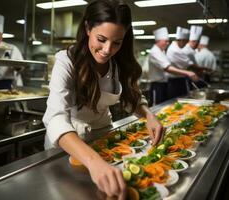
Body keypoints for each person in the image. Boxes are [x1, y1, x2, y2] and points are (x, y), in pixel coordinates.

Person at [42, 0, 164, 199]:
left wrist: (149, 115)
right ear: (88, 28)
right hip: (69, 146)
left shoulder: (117, 64)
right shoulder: (66, 61)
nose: (107, 50)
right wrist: (93, 161)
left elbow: (131, 97)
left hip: (103, 139)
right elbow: (55, 118)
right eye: (101, 39)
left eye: (117, 42)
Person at [148, 27, 198, 105]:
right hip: (157, 86)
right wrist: (188, 73)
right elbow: (167, 68)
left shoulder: (162, 51)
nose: (168, 43)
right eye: (166, 41)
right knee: (156, 107)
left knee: (164, 107)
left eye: (168, 41)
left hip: (164, 84)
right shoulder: (155, 51)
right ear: (158, 41)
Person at [166, 26, 196, 98]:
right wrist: (189, 72)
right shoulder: (174, 50)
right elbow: (188, 64)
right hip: (174, 82)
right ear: (182, 40)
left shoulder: (177, 48)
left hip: (179, 80)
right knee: (176, 101)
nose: (186, 45)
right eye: (185, 42)